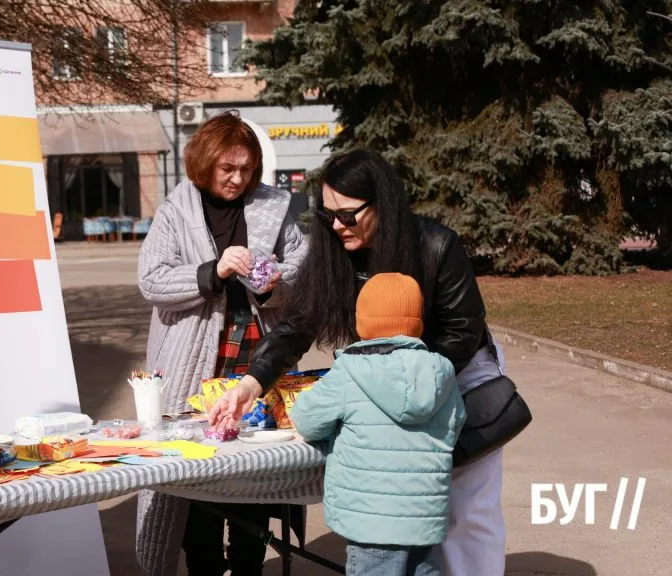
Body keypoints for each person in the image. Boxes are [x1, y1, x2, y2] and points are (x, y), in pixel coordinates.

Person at [208, 148, 509, 576]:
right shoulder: (333, 252)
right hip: (387, 380)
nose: (336, 225)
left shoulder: (436, 244)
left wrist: (421, 376)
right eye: (327, 214)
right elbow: (294, 327)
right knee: (408, 505)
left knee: (465, 507)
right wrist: (250, 385)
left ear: (382, 204)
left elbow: (464, 330)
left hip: (456, 374)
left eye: (348, 215)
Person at [135, 110, 308, 576]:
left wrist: (274, 284)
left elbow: (302, 267)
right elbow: (151, 281)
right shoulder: (176, 211)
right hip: (194, 366)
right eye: (227, 169)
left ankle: (249, 565)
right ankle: (205, 568)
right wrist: (214, 271)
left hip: (255, 359)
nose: (238, 179)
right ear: (204, 162)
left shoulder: (275, 207)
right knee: (196, 482)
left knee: (251, 477)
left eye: (247, 169)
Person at [290, 272, 465, 576]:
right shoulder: (440, 372)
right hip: (424, 518)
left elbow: (306, 419)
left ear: (363, 321)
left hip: (371, 521)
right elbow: (455, 425)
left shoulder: (350, 370)